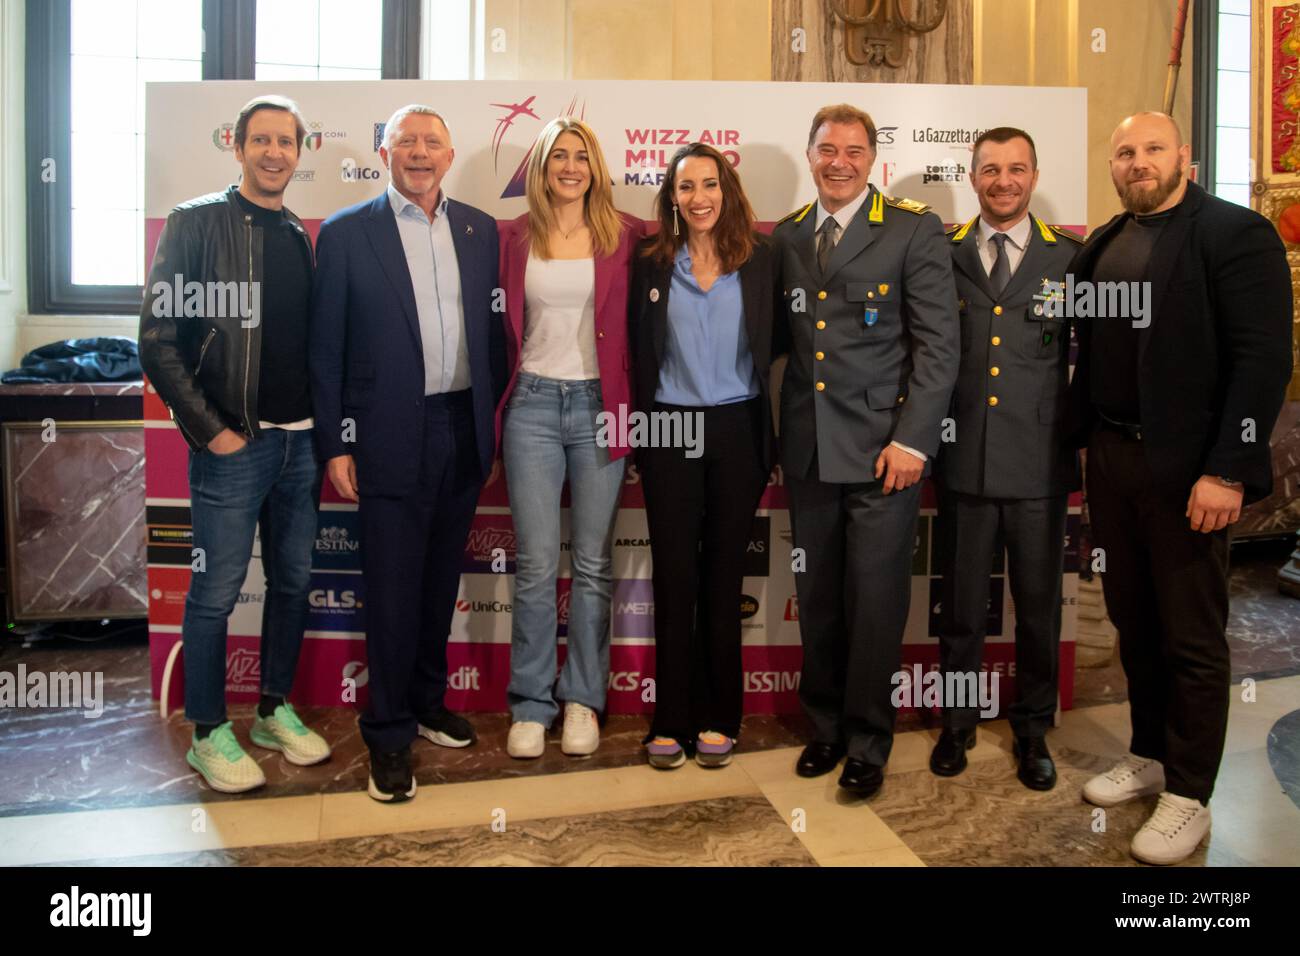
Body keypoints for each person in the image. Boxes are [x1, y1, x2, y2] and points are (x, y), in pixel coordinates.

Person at [1068, 111, 1292, 863]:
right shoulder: (1103, 242)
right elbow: (1089, 352)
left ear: (1184, 159)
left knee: (1191, 634)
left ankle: (1189, 793)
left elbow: (1261, 361)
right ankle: (1151, 752)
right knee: (1134, 620)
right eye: (1124, 150)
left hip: (1191, 470)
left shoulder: (1233, 234)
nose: (1137, 161)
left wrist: (1229, 467)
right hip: (1113, 459)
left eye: (1152, 149)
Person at [309, 104, 507, 803]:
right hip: (387, 433)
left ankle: (426, 702)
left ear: (450, 156)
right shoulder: (345, 233)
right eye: (407, 142)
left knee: (435, 584)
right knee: (391, 593)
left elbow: (495, 336)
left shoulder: (481, 230)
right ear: (385, 152)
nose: (420, 153)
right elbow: (325, 351)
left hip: (461, 429)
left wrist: (489, 419)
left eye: (433, 142)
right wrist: (335, 442)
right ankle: (387, 734)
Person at [140, 95, 330, 793]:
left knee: (294, 582)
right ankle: (209, 730)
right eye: (261, 140)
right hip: (233, 446)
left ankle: (273, 708)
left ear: (300, 152)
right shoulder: (196, 224)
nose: (274, 152)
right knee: (216, 592)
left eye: (285, 141)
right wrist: (211, 431)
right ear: (238, 146)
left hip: (300, 445)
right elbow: (157, 343)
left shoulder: (297, 234)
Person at [773, 103, 959, 798]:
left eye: (853, 150)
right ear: (811, 153)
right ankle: (824, 728)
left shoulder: (912, 229)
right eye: (827, 149)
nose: (839, 162)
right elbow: (778, 347)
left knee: (876, 602)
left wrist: (914, 439)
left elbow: (939, 347)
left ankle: (867, 741)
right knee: (817, 598)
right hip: (809, 449)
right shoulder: (788, 237)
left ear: (872, 159)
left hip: (887, 453)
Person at [931, 127, 1082, 790]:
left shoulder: (1071, 259)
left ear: (1034, 174)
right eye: (990, 169)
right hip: (963, 462)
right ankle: (958, 723)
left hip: (1040, 463)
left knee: (1039, 605)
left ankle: (1032, 729)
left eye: (1016, 169)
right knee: (962, 607)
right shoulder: (941, 252)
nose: (1003, 181)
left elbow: (1096, 359)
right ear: (973, 177)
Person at [628, 143, 780, 770]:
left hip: (739, 429)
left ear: (728, 190)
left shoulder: (764, 260)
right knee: (674, 576)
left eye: (709, 185)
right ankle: (671, 718)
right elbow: (634, 351)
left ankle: (721, 716)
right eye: (685, 187)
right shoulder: (650, 263)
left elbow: (786, 351)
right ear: (671, 197)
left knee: (723, 579)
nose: (698, 198)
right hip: (668, 429)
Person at [496, 118, 643, 759]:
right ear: (541, 165)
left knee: (591, 564)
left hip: (601, 407)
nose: (571, 166)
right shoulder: (511, 238)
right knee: (533, 565)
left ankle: (583, 699)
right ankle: (531, 703)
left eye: (582, 156)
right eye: (559, 155)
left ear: (597, 167)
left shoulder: (629, 236)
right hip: (529, 404)